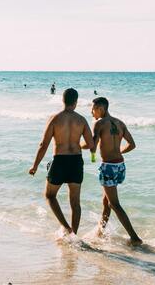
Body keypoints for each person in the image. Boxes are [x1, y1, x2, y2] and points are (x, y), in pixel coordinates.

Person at [29, 88, 94, 237]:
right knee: (75, 202)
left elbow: (43, 145)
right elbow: (91, 144)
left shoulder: (54, 118)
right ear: (76, 102)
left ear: (62, 100)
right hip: (76, 161)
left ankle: (66, 227)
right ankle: (74, 236)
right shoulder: (82, 120)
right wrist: (78, 145)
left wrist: (35, 166)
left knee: (49, 195)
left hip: (59, 160)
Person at [86, 96, 142, 245]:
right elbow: (132, 144)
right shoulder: (120, 123)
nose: (91, 113)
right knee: (106, 203)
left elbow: (92, 146)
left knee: (114, 204)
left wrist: (79, 146)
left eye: (92, 109)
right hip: (120, 166)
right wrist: (118, 152)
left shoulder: (99, 124)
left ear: (100, 109)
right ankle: (100, 231)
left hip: (108, 167)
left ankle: (134, 237)